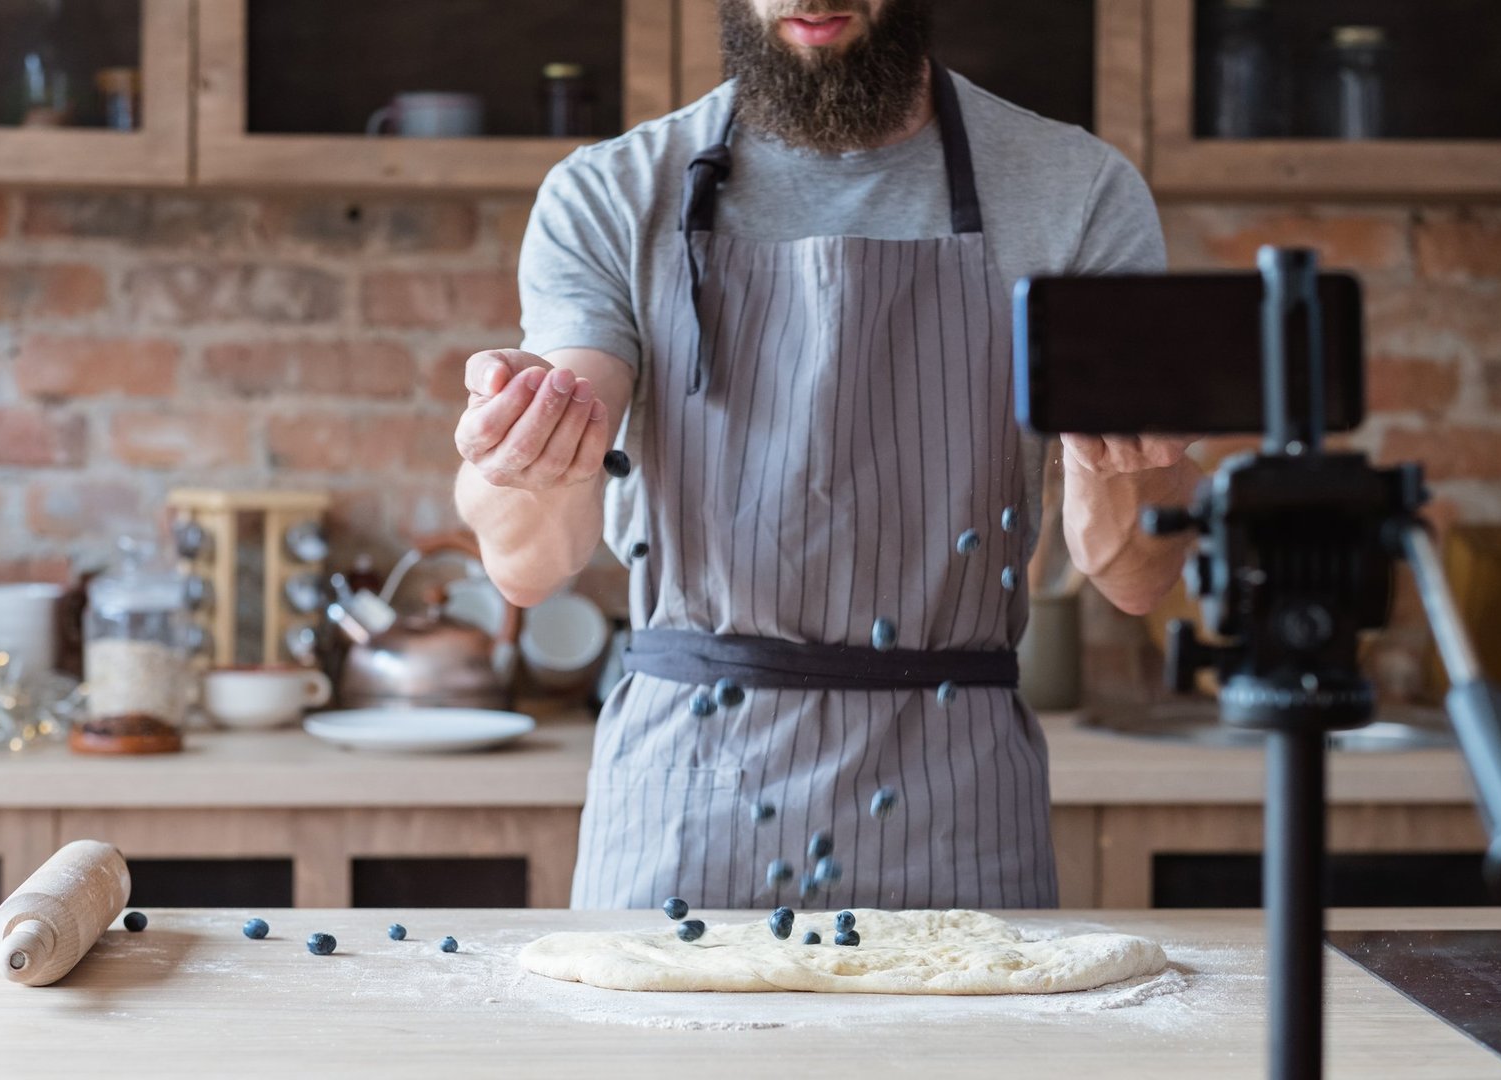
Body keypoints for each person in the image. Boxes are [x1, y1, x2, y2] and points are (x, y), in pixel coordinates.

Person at [452, 0, 1200, 910]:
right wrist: (529, 441)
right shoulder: (613, 192)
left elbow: (1134, 579)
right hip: (684, 803)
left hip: (959, 805)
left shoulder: (1074, 188)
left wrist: (1127, 463)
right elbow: (530, 562)